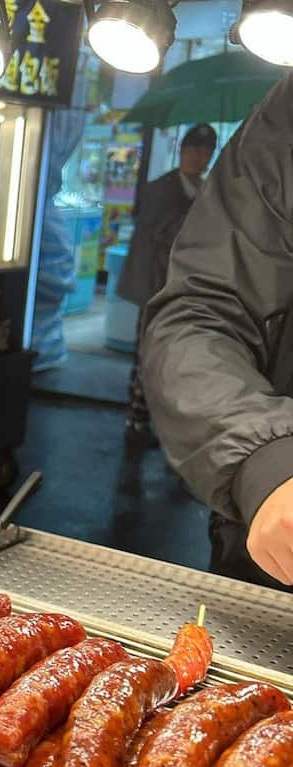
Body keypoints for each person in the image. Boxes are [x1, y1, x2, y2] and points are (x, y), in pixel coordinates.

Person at [144, 76, 293, 588]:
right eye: (195, 148)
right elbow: (203, 307)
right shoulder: (283, 125)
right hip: (278, 545)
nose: (197, 156)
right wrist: (268, 458)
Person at [117, 124, 218, 432]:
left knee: (177, 354)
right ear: (182, 152)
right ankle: (138, 414)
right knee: (148, 350)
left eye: (205, 151)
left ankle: (163, 418)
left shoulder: (205, 190)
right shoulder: (160, 188)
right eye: (193, 150)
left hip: (186, 287)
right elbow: (164, 231)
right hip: (155, 285)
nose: (198, 157)